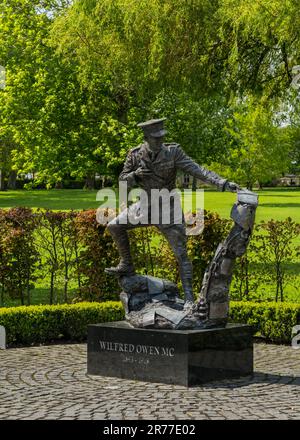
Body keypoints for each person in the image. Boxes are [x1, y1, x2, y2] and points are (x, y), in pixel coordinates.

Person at [106, 118, 239, 305]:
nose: (160, 140)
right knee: (114, 225)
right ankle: (127, 264)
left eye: (161, 137)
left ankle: (189, 298)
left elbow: (197, 170)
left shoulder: (173, 152)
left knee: (181, 254)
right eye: (155, 138)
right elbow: (121, 182)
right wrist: (135, 176)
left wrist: (223, 183)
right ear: (146, 137)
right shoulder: (135, 155)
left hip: (168, 208)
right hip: (144, 206)